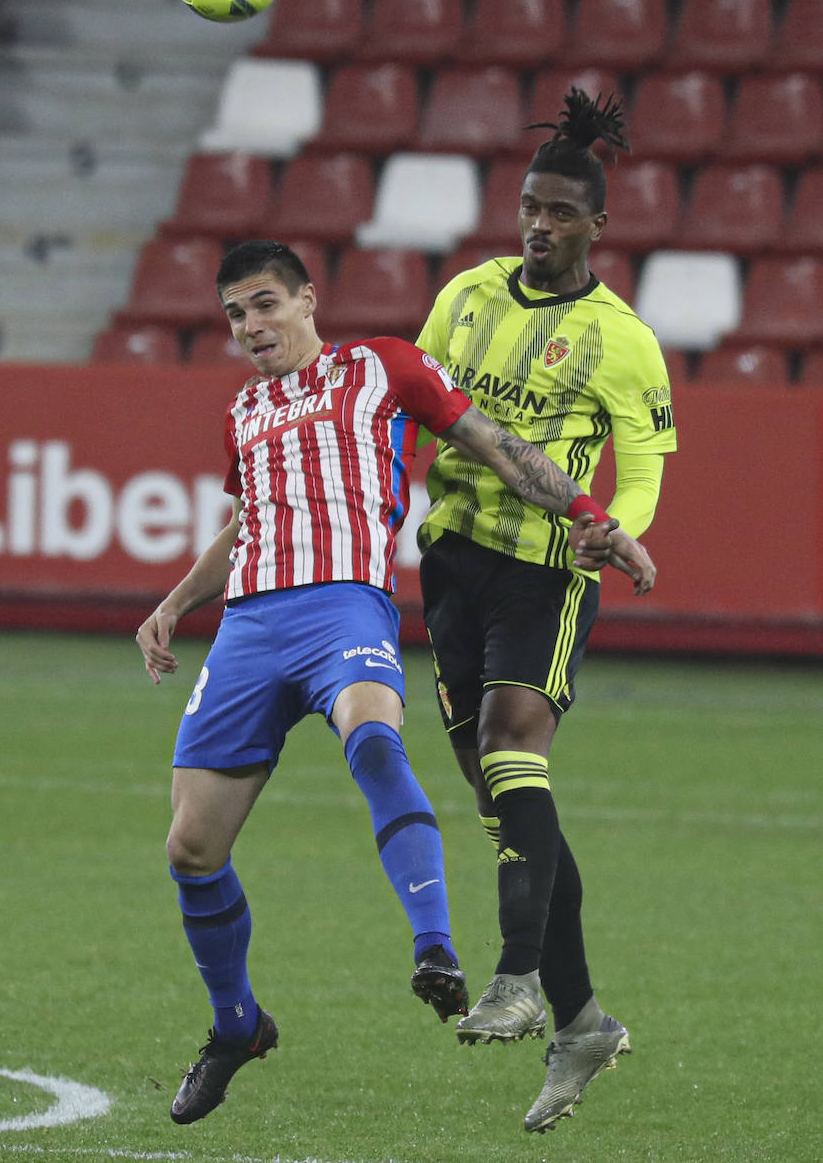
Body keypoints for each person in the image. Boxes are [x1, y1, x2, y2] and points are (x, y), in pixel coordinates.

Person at [136, 237, 654, 1127]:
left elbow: (495, 444)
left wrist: (589, 514)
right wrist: (176, 602)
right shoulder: (244, 414)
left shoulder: (383, 367)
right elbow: (248, 520)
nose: (250, 326)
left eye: (264, 304)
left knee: (374, 733)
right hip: (251, 626)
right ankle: (236, 1027)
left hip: (344, 609)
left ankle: (437, 951)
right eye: (233, 316)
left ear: (306, 299)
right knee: (190, 849)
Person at [415, 88, 677, 1134]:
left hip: (544, 572)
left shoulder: (621, 339)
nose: (539, 225)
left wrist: (611, 527)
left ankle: (518, 980)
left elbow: (647, 464)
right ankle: (582, 1022)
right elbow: (419, 404)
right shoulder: (464, 296)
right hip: (452, 565)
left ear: (595, 227)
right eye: (530, 206)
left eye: (562, 212)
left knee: (510, 750)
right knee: (501, 795)